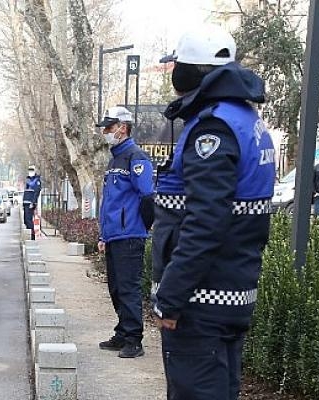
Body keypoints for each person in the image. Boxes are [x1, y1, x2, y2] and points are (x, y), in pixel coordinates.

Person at [152, 25, 275, 399]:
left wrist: (170, 299)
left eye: (177, 65)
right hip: (228, 295)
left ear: (192, 70)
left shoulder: (214, 129)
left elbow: (205, 223)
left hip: (200, 302)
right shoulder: (246, 120)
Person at [94, 106, 155, 358]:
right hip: (113, 236)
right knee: (116, 288)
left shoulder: (135, 156)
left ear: (123, 127)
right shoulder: (115, 158)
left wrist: (141, 227)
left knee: (128, 288)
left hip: (130, 235)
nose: (106, 132)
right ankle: (122, 332)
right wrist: (103, 235)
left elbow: (148, 196)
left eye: (109, 127)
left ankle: (134, 340)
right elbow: (110, 200)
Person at [22, 165, 41, 240]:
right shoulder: (28, 179)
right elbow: (26, 192)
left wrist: (33, 203)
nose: (30, 171)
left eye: (32, 170)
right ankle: (29, 235)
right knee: (26, 220)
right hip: (26, 203)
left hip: (30, 203)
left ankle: (32, 237)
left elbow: (36, 192)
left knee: (29, 220)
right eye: (29, 170)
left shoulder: (37, 180)